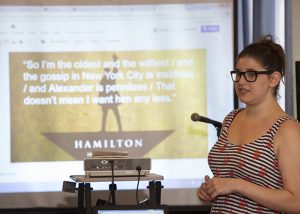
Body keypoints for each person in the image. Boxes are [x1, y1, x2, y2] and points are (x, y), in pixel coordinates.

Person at [197, 35, 300, 213]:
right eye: (238, 74)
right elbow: (228, 181)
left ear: (273, 79)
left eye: (251, 74)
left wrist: (236, 185)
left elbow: (296, 202)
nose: (241, 81)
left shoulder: (287, 129)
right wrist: (210, 190)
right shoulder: (231, 118)